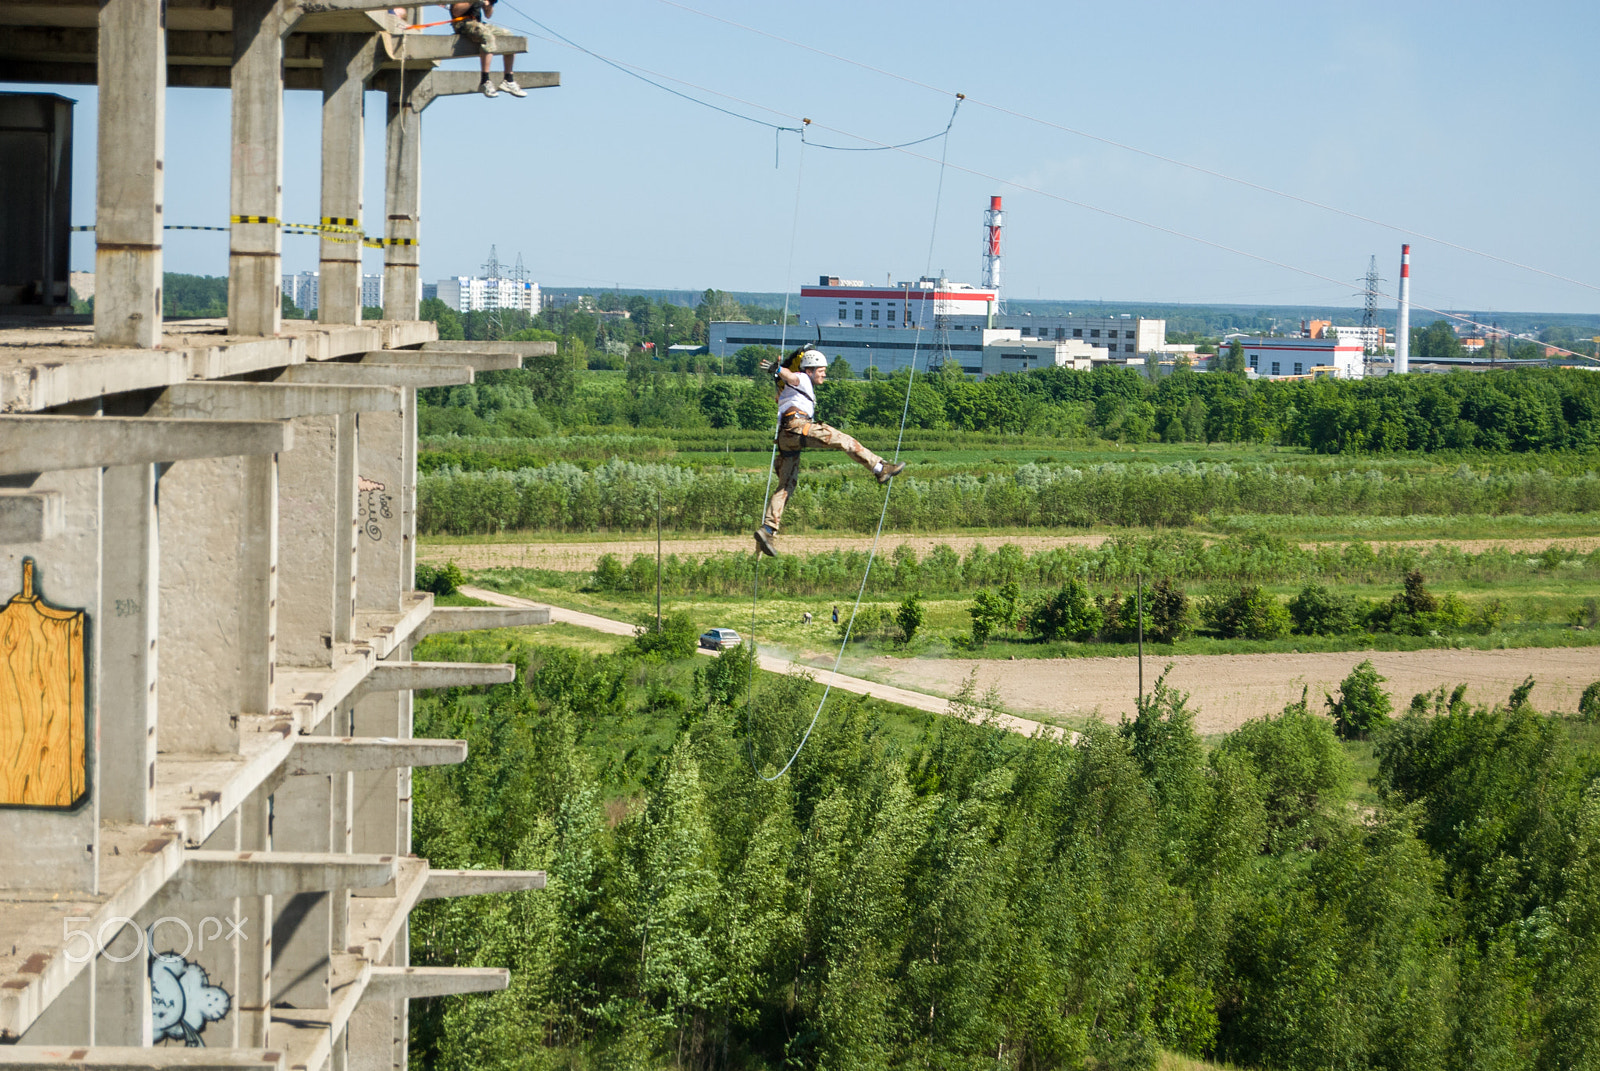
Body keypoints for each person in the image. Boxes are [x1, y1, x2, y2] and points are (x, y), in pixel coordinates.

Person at [754, 345, 904, 557]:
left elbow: (787, 380)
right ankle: (880, 468)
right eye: (821, 370)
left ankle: (768, 530)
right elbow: (792, 377)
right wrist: (778, 369)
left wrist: (780, 372)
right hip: (798, 427)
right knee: (845, 440)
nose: (824, 374)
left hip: (785, 438)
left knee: (786, 486)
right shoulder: (802, 379)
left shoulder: (789, 389)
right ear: (809, 370)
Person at [449, 0, 525, 98]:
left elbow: (488, 15)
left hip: (477, 22)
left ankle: (508, 79)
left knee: (509, 37)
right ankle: (485, 80)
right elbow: (456, 11)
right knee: (488, 37)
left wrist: (489, 4)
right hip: (462, 23)